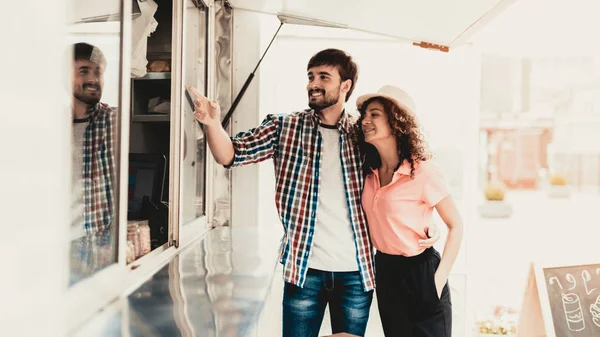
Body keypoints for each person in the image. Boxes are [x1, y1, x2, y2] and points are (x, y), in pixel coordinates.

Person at [190, 49, 440, 337]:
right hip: (304, 270)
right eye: (310, 77)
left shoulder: (363, 136)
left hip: (357, 274)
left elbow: (398, 180)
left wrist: (424, 222)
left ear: (345, 85)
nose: (313, 83)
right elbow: (230, 154)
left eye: (324, 77)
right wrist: (211, 124)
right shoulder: (284, 127)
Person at [356, 85, 463, 336]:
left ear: (395, 122)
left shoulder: (424, 171)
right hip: (385, 271)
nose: (365, 120)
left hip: (421, 272)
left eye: (375, 114)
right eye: (364, 115)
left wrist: (437, 282)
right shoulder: (367, 171)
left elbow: (456, 225)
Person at [70, 42, 116, 240]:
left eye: (98, 72)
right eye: (83, 71)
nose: (92, 79)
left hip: (101, 243)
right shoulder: (50, 126)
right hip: (57, 244)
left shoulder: (113, 120)